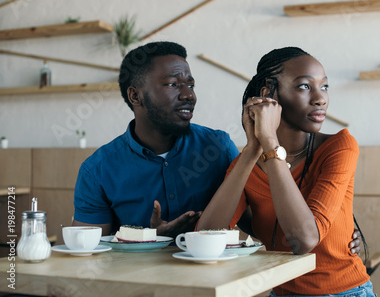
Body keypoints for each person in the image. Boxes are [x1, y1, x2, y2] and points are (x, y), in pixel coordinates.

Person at [71, 41, 362, 254]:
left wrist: (337, 226)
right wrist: (145, 239)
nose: (189, 95)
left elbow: (262, 221)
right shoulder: (97, 169)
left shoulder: (218, 147)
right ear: (136, 96)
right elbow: (85, 253)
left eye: (191, 84)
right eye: (173, 85)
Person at [197, 47, 376, 296]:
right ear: (269, 94)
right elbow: (205, 238)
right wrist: (252, 150)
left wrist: (270, 143)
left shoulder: (339, 147)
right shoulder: (247, 164)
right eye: (304, 86)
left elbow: (304, 240)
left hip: (345, 292)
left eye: (324, 86)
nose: (320, 98)